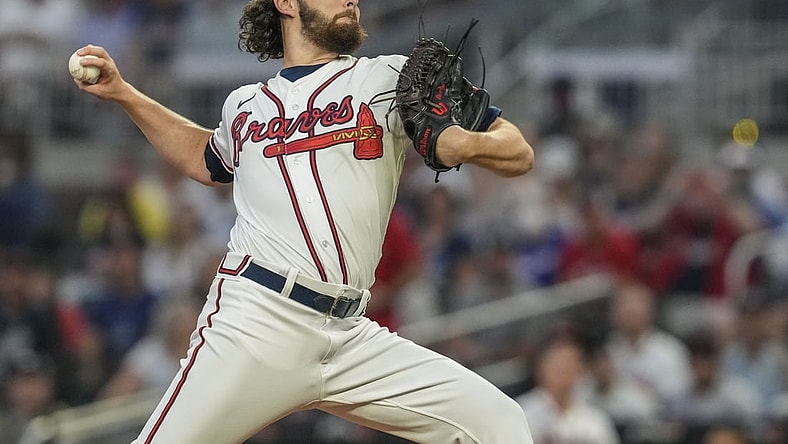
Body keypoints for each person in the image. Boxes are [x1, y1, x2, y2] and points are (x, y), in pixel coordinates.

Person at [71, 1, 535, 443]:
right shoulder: (244, 105)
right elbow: (204, 157)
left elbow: (517, 149)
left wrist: (464, 145)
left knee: (499, 423)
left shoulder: (389, 78)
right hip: (258, 320)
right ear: (287, 2)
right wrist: (124, 94)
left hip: (351, 333)